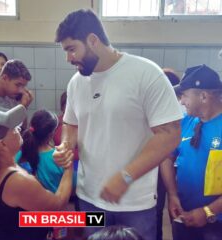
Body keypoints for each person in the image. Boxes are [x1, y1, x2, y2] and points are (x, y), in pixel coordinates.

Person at [53, 9, 182, 240]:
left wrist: (126, 176)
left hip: (136, 203)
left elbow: (170, 134)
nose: (68, 58)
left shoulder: (145, 74)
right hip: (90, 198)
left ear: (93, 40)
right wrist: (65, 146)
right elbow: (71, 124)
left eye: (72, 49)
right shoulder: (76, 83)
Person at [0, 105, 74, 240]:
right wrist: (68, 165)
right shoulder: (17, 181)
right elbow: (57, 205)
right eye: (12, 128)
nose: (18, 128)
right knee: (94, 219)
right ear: (2, 145)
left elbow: (25, 219)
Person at [160, 64, 222, 240]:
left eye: (184, 95)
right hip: (184, 216)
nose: (181, 101)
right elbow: (166, 157)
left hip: (217, 224)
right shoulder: (186, 122)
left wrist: (208, 211)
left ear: (203, 96)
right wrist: (172, 195)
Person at [156, 68, 180, 240]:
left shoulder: (181, 111)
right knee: (157, 210)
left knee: (175, 208)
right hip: (156, 166)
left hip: (175, 167)